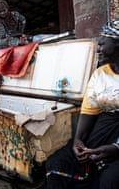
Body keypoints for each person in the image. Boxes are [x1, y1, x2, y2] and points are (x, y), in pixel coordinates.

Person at [45, 18, 119, 189]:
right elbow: (88, 111)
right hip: (100, 134)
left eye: (101, 45)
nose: (98, 50)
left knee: (109, 180)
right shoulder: (100, 74)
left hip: (115, 143)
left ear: (117, 45)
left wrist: (116, 147)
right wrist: (78, 140)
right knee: (57, 163)